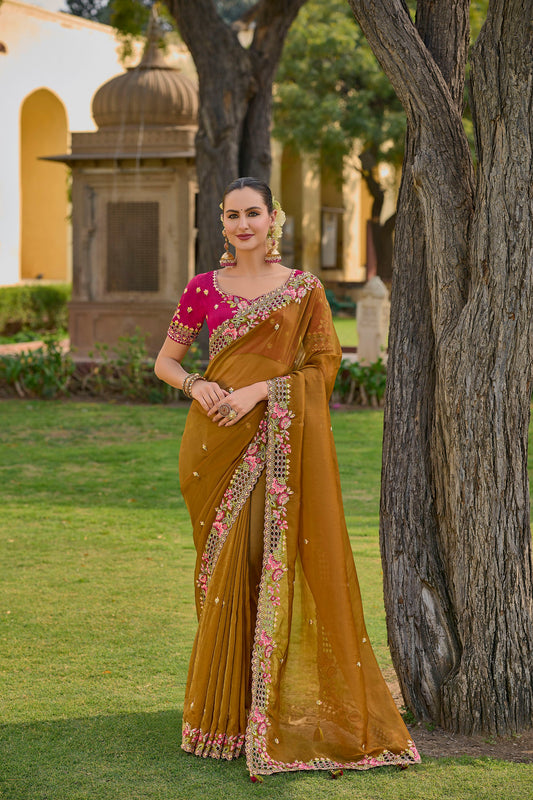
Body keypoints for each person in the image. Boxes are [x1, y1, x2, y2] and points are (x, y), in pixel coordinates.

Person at [154, 177, 420, 779]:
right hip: (211, 443)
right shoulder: (202, 289)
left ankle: (259, 707)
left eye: (253, 213)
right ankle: (221, 715)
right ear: (221, 225)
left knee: (259, 562)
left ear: (273, 218)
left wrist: (258, 391)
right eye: (231, 216)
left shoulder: (303, 291)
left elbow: (324, 367)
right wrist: (198, 385)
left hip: (271, 439)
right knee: (223, 570)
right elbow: (165, 361)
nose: (242, 224)